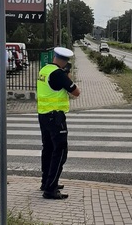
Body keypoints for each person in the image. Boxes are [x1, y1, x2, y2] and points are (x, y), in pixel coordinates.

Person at [37, 47, 80, 199]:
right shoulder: (59, 74)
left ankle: (46, 181)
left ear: (55, 57)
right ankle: (51, 189)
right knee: (60, 152)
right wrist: (68, 75)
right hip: (56, 118)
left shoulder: (45, 70)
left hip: (43, 115)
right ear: (65, 61)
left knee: (48, 149)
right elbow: (76, 92)